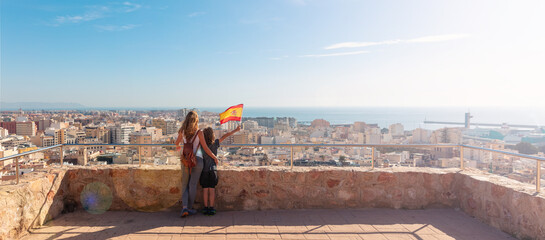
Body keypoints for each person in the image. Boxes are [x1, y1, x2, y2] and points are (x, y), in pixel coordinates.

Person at [175, 111, 218, 217]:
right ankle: (190, 208)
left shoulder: (182, 131)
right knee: (192, 185)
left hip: (185, 160)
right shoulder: (199, 132)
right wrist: (214, 157)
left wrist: (180, 148)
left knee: (184, 185)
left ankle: (184, 208)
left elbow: (177, 143)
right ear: (196, 120)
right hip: (198, 160)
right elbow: (206, 148)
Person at [200, 125, 240, 215]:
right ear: (212, 135)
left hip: (204, 170)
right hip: (213, 169)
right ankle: (212, 208)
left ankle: (205, 208)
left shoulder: (202, 145)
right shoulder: (215, 143)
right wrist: (236, 130)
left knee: (205, 190)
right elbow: (225, 136)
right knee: (212, 190)